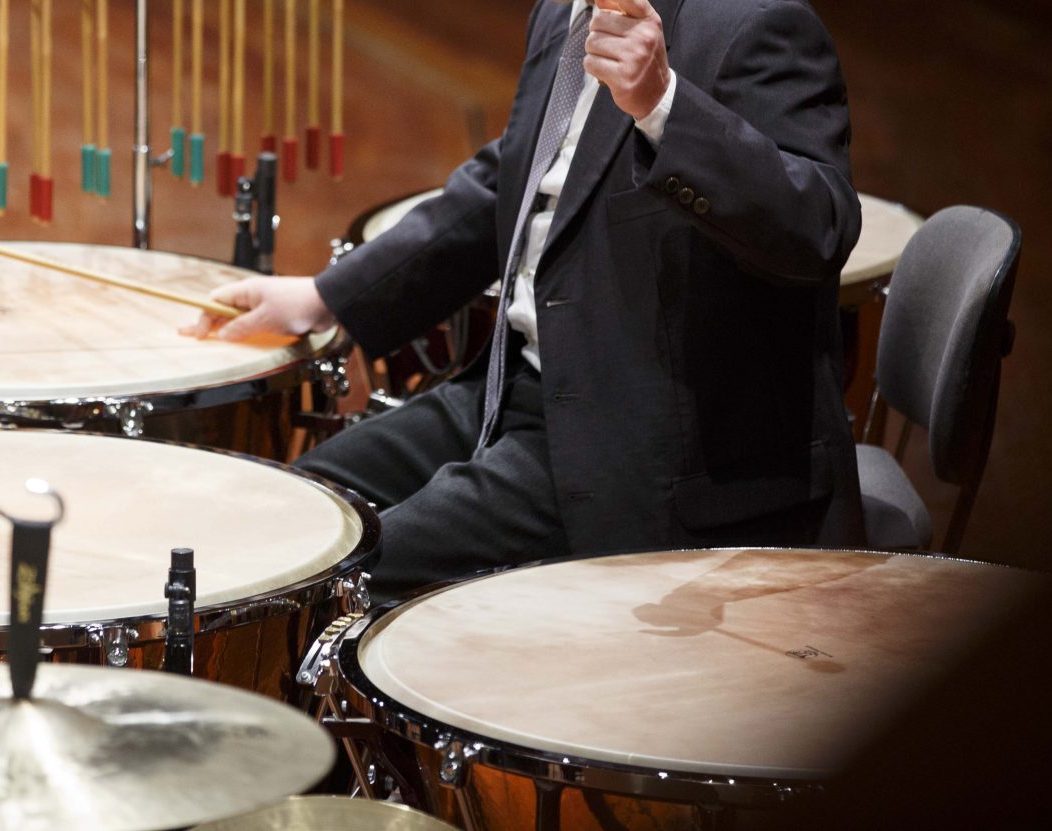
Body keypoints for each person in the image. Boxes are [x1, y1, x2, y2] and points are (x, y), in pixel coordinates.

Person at [184, 0, 865, 601]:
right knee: (281, 514)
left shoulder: (758, 23)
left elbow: (820, 229)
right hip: (511, 389)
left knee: (329, 576)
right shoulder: (564, 14)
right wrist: (327, 296)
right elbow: (514, 174)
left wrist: (664, 106)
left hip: (641, 447)